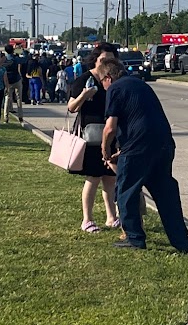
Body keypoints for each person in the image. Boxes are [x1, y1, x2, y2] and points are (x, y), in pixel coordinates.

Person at [100, 60, 188, 253]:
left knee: (126, 192)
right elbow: (142, 120)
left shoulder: (115, 88)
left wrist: (105, 149)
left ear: (108, 77)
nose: (103, 86)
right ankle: (181, 241)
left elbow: (110, 128)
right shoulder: (141, 85)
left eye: (102, 81)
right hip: (163, 144)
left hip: (138, 149)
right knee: (165, 194)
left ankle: (134, 239)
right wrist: (122, 152)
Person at [67, 43, 120, 234]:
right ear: (95, 60)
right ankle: (87, 219)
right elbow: (71, 107)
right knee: (94, 177)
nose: (107, 63)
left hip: (111, 133)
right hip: (92, 136)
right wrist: (84, 95)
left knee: (110, 178)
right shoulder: (85, 79)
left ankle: (111, 217)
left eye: (111, 59)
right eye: (103, 59)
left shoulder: (114, 79)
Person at [1, 45, 24, 123]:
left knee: (7, 98)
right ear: (13, 50)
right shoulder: (15, 58)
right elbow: (24, 59)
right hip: (16, 79)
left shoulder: (4, 59)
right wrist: (22, 51)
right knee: (19, 98)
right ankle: (20, 116)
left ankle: (6, 117)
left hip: (8, 80)